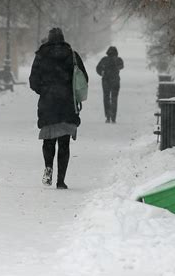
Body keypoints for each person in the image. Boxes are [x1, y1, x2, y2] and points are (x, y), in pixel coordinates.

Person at [29, 28, 88, 189]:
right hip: (67, 103)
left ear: (48, 39)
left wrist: (45, 90)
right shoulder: (72, 55)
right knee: (64, 143)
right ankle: (61, 180)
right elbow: (83, 78)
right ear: (63, 39)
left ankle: (48, 167)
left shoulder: (41, 56)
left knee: (48, 141)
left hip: (48, 104)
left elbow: (33, 81)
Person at [96, 46, 124, 123]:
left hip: (106, 81)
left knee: (106, 98)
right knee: (114, 99)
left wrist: (101, 73)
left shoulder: (104, 60)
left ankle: (108, 116)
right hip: (115, 81)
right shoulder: (118, 60)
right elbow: (122, 66)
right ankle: (113, 117)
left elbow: (98, 68)